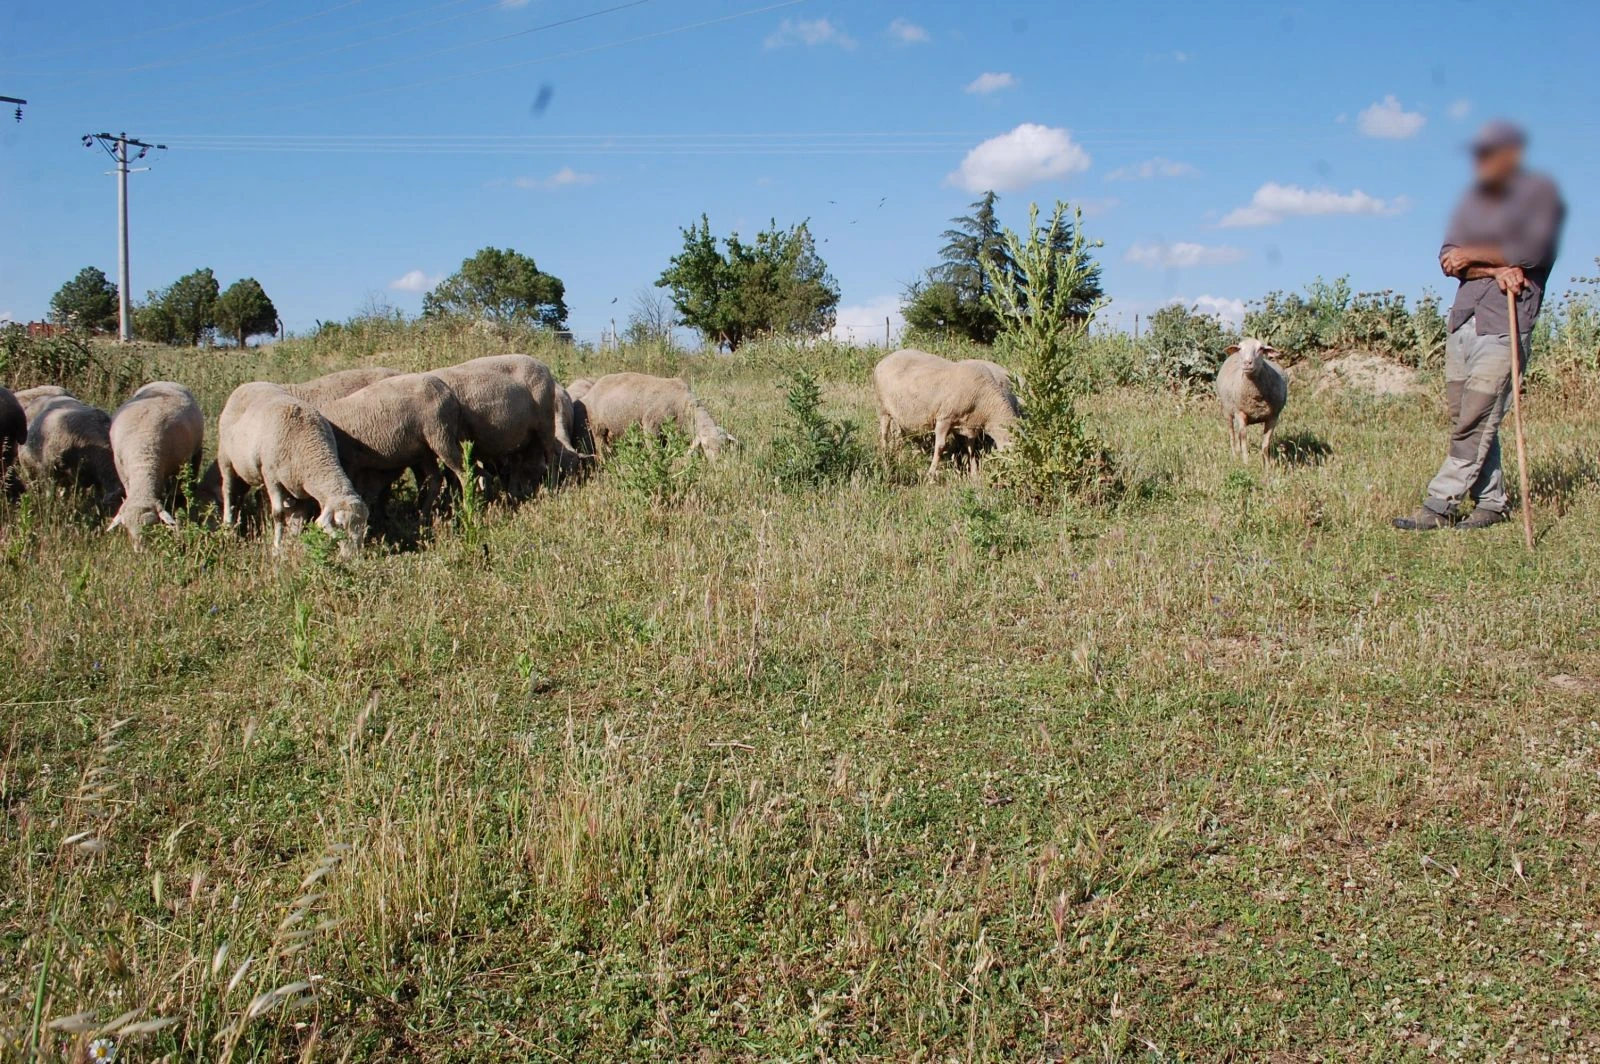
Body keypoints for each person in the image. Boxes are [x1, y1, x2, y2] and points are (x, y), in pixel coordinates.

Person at [1393, 120, 1565, 531]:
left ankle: (1440, 505)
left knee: (1477, 414)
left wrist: (1476, 256)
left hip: (1506, 322)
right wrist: (1496, 267)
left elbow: (1532, 250)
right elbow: (1449, 260)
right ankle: (1492, 501)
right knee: (1465, 415)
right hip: (1464, 319)